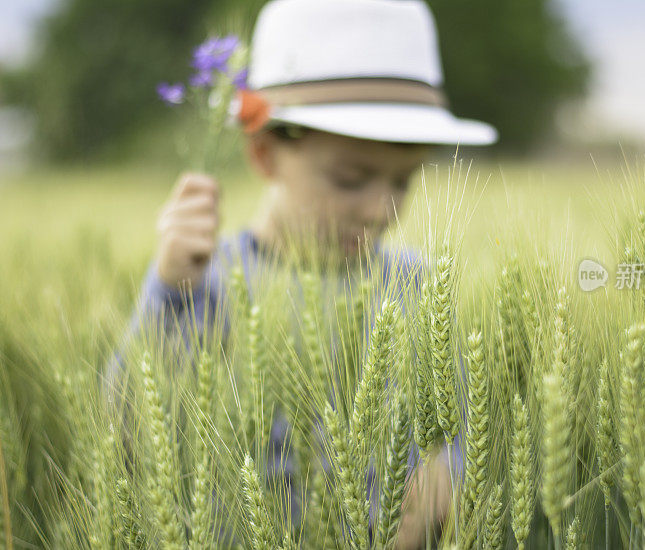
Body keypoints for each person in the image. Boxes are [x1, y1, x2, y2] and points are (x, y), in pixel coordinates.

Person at [105, 0, 497, 547]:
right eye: (350, 179)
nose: (381, 209)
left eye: (403, 181)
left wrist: (441, 485)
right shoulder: (206, 283)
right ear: (265, 155)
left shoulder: (420, 288)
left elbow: (458, 430)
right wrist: (169, 290)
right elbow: (126, 426)